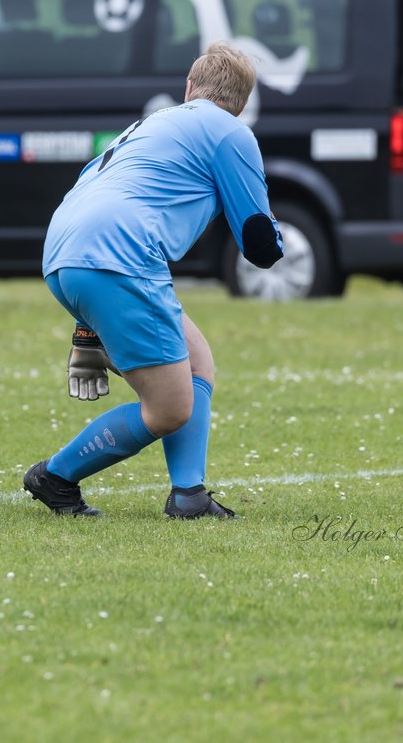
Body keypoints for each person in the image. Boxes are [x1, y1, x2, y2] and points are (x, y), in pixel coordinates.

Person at [22, 42, 284, 519]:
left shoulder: (151, 124)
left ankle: (189, 496)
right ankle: (55, 477)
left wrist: (87, 325)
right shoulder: (231, 132)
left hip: (62, 251)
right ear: (241, 103)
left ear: (189, 88)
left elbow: (99, 187)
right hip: (120, 257)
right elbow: (258, 241)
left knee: (197, 360)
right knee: (169, 408)